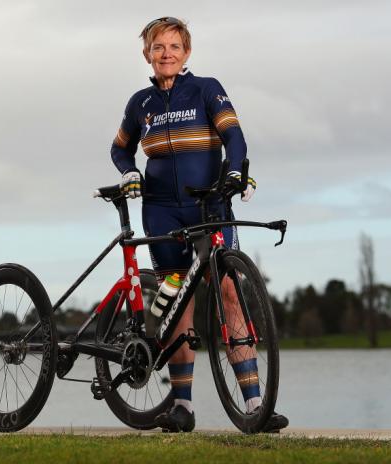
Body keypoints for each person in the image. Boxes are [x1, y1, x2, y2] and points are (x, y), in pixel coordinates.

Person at [110, 17, 288, 433]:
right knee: (177, 302)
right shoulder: (141, 103)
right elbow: (120, 149)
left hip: (209, 206)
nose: (166, 54)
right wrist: (128, 172)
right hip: (160, 209)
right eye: (158, 47)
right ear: (147, 54)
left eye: (174, 46)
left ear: (186, 52)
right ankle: (182, 407)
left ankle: (255, 405)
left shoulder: (206, 88)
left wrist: (237, 172)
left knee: (228, 290)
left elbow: (234, 136)